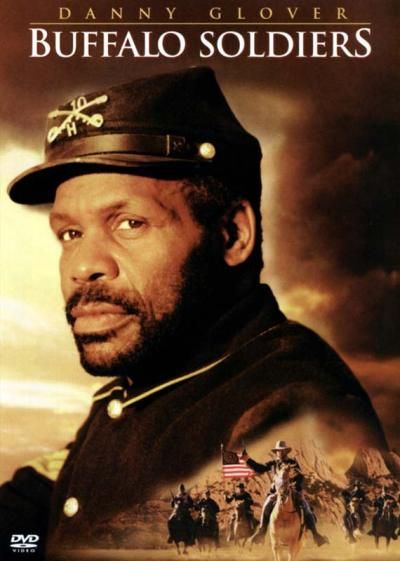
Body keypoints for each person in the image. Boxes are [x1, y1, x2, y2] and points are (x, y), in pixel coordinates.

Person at [1, 66, 387, 557]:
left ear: (232, 235)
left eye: (129, 222)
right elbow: (65, 489)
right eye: (70, 234)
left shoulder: (290, 410)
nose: (82, 266)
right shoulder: (151, 383)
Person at [243, 440, 329, 546]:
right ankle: (262, 531)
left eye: (282, 450)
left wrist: (294, 485)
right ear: (276, 452)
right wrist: (248, 460)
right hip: (276, 493)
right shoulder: (273, 463)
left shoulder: (292, 463)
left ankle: (316, 535)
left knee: (305, 506)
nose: (280, 452)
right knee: (267, 505)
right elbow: (260, 468)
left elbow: (300, 477)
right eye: (278, 451)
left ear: (286, 452)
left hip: (292, 491)